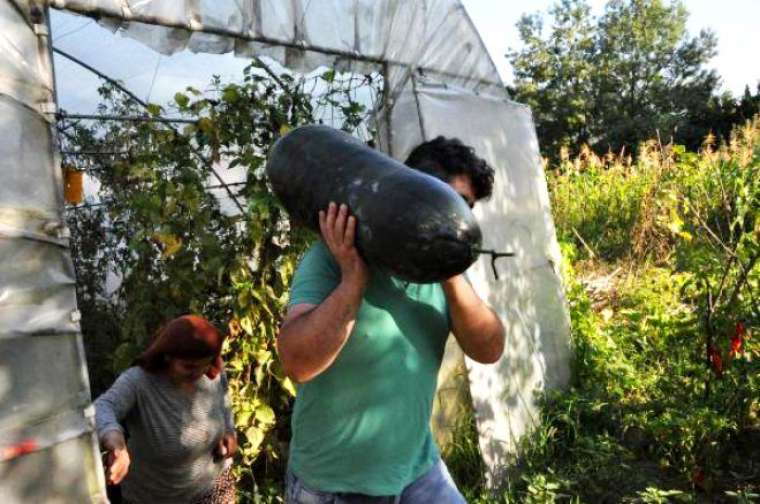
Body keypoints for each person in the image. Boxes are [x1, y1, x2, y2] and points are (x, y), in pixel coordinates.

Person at [276, 136, 506, 503]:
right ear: (414, 189)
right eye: (456, 203)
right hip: (335, 487)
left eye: (468, 209)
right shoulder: (329, 259)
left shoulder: (446, 275)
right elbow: (297, 362)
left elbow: (490, 348)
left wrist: (448, 273)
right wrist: (352, 280)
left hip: (417, 472)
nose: (462, 221)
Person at [94, 315, 238, 504]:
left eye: (206, 364)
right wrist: (116, 444)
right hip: (155, 496)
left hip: (212, 486)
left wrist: (229, 430)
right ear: (167, 356)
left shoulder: (212, 372)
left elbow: (224, 401)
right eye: (189, 366)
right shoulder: (139, 382)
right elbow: (101, 407)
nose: (200, 373)